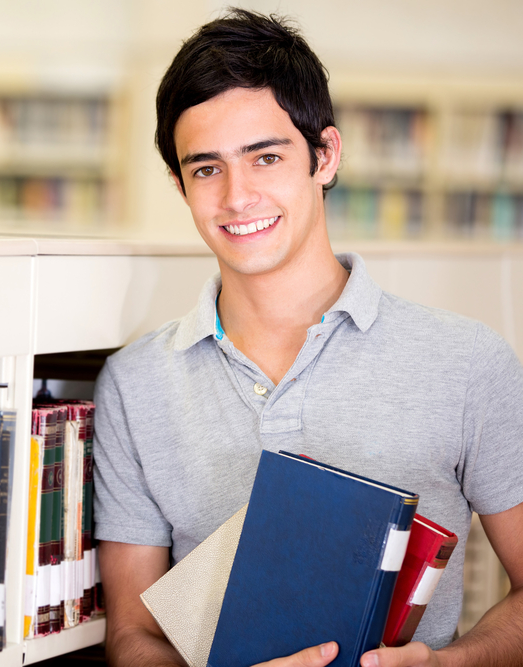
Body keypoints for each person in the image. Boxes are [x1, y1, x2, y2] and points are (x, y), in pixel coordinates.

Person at [92, 8, 523, 667]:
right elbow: (131, 635)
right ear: (180, 185)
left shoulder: (469, 362)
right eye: (206, 169)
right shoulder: (134, 384)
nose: (238, 196)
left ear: (325, 155)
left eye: (266, 156)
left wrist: (450, 663)